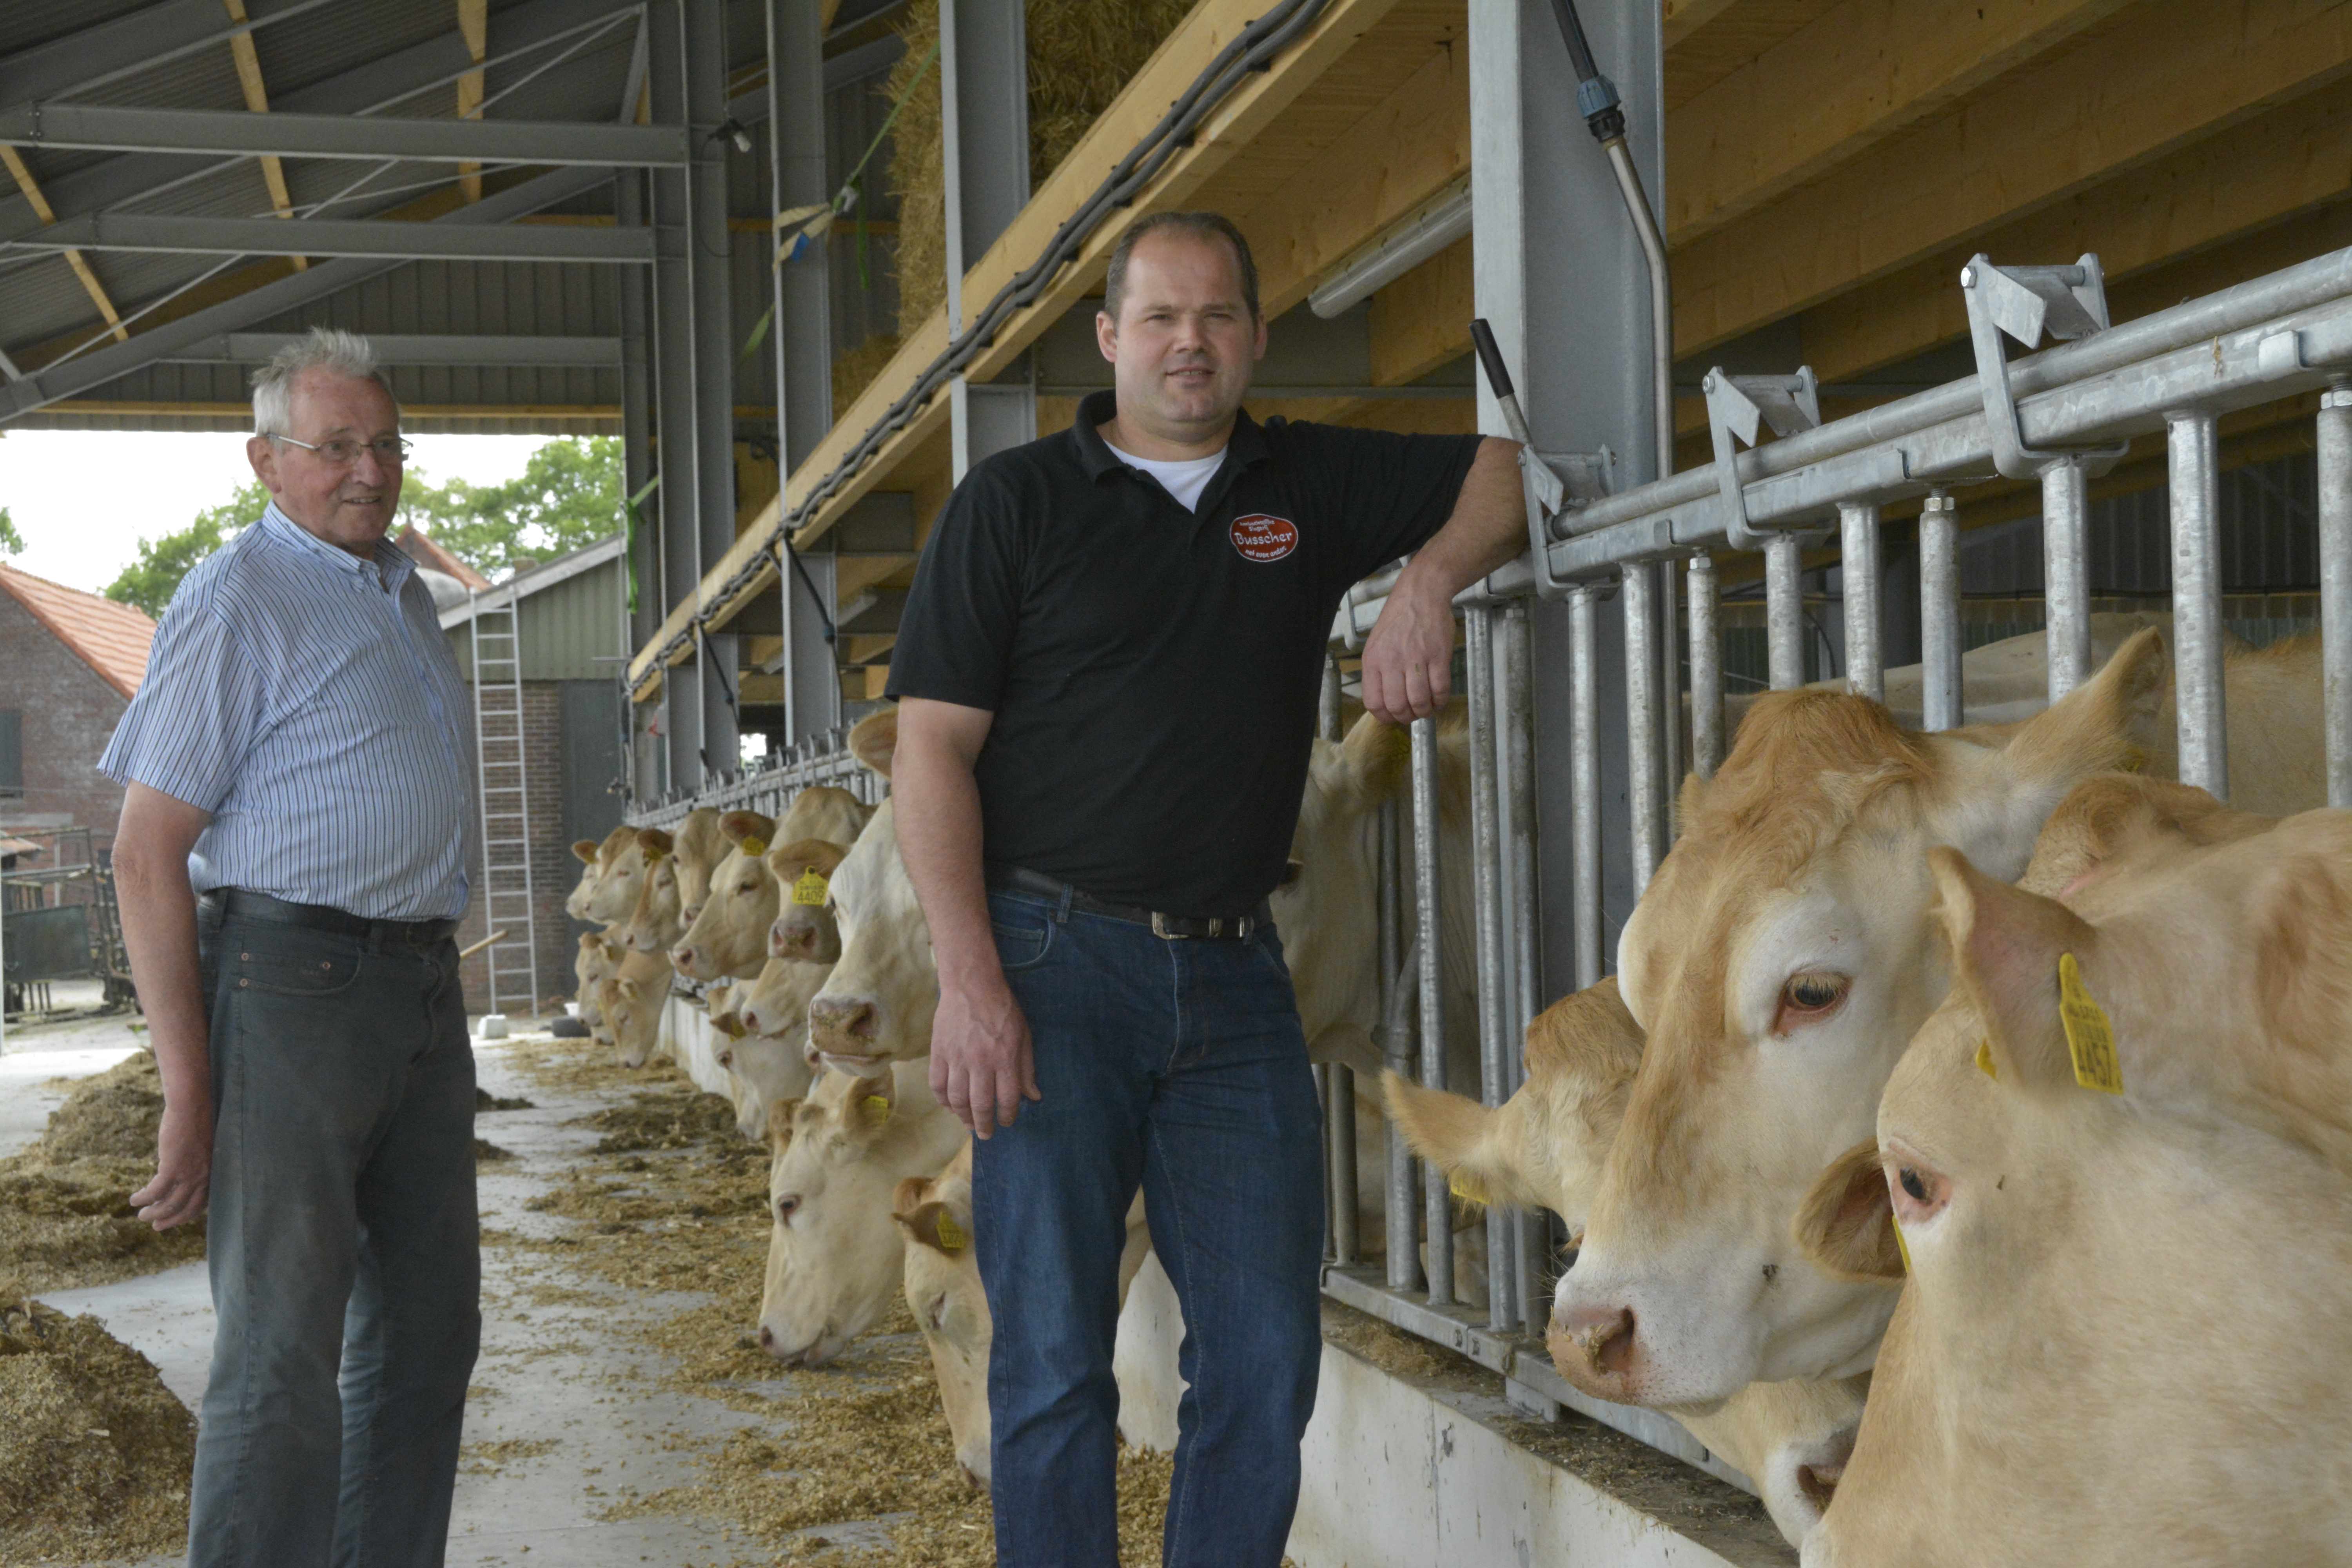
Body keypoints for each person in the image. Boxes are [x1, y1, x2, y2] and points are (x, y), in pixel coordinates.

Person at [884, 211, 1526, 1566]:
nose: (1192, 342)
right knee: (1054, 1355)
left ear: (1255, 339)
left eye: (1219, 316)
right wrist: (972, 982)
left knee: (1263, 1358)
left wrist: (1426, 584)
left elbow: (1500, 472)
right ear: (1112, 340)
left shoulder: (1302, 482)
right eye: (1162, 319)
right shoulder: (1014, 506)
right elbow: (932, 754)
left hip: (1241, 977)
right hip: (1053, 963)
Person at [103, 327, 481, 1568]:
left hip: (422, 989)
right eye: (335, 448)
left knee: (428, 1334)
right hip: (292, 987)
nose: (368, 470)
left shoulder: (404, 592)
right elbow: (145, 853)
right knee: (282, 1347)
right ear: (267, 461)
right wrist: (189, 1087)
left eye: (385, 444)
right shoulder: (236, 598)